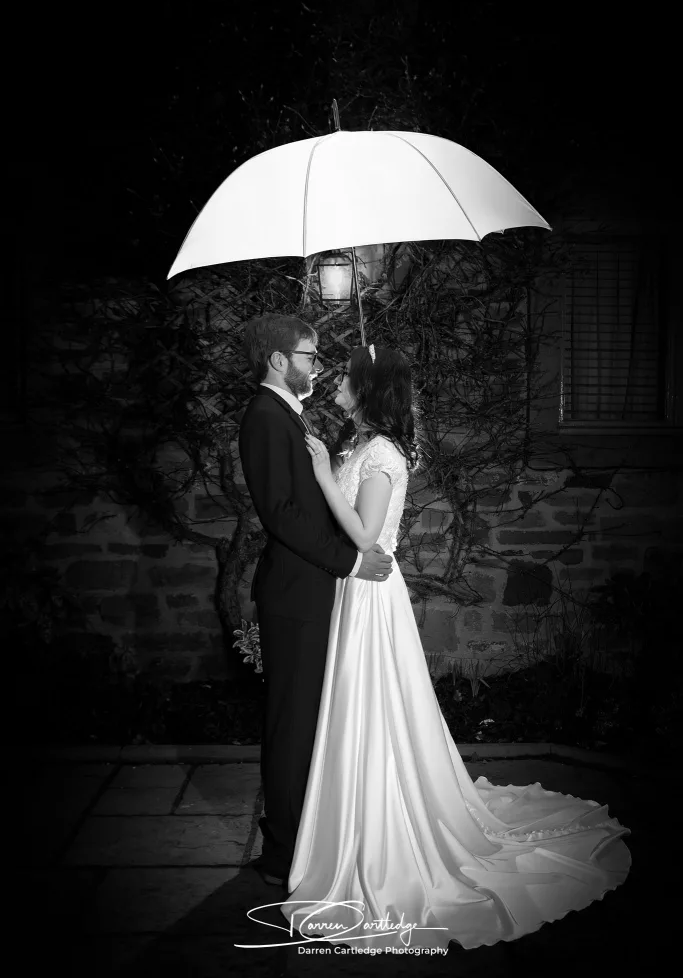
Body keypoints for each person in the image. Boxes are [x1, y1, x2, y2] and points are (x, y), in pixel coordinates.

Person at [280, 342, 632, 951]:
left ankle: (384, 823)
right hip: (349, 592)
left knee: (373, 706)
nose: (334, 386)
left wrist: (317, 473)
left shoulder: (384, 452)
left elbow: (365, 536)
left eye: (345, 381)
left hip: (369, 597)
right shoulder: (360, 445)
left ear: (369, 389)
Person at [238, 314, 394, 888]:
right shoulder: (264, 417)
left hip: (309, 591)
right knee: (291, 722)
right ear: (279, 360)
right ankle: (281, 852)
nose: (316, 367)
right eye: (309, 356)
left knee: (308, 720)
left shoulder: (286, 417)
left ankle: (304, 836)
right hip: (295, 595)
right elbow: (282, 515)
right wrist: (351, 561)